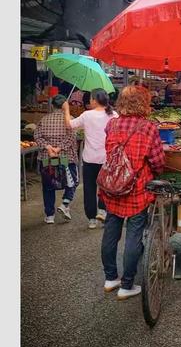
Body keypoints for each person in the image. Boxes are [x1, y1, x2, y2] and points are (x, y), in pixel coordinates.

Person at [100, 85, 165, 300]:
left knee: (111, 230)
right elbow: (157, 162)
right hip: (137, 190)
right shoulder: (148, 127)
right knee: (134, 235)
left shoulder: (112, 124)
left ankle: (110, 278)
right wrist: (156, 172)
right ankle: (127, 285)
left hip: (112, 187)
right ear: (144, 103)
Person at [62, 89, 118, 229]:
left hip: (89, 159)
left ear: (94, 100)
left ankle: (91, 219)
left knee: (89, 188)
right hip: (107, 158)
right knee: (106, 187)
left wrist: (66, 109)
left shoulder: (87, 115)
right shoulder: (114, 115)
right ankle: (103, 210)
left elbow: (69, 125)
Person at [34, 94, 79, 224]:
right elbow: (71, 137)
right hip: (65, 158)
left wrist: (48, 147)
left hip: (47, 158)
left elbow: (37, 136)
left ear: (53, 105)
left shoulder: (44, 119)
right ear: (65, 105)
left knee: (48, 184)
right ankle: (65, 202)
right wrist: (59, 148)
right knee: (72, 181)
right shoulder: (69, 119)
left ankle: (49, 216)